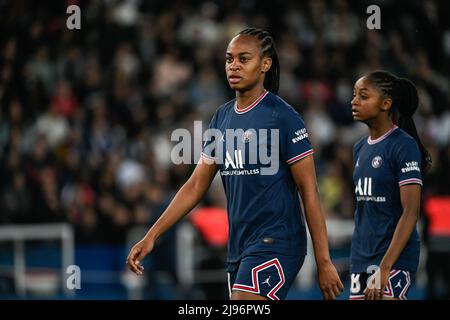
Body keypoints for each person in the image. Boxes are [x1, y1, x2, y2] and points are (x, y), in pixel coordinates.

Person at [127, 28, 343, 300]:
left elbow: (309, 191)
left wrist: (323, 262)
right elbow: (195, 185)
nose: (234, 66)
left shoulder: (283, 117)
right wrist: (152, 236)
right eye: (230, 59)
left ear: (265, 64)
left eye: (244, 59)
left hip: (277, 241)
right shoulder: (222, 118)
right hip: (239, 246)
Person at [349, 71, 432, 300]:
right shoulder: (359, 148)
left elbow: (410, 212)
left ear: (386, 103)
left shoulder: (403, 146)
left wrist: (385, 268)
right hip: (361, 257)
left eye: (363, 96)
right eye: (354, 95)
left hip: (393, 259)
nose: (354, 101)